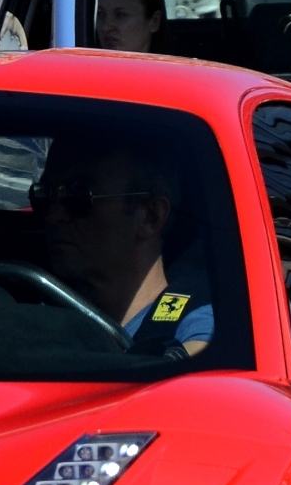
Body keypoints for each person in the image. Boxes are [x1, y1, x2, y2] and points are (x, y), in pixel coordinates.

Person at [37, 139, 213, 357]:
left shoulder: (197, 326)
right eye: (43, 194)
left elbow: (202, 367)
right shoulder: (35, 310)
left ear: (150, 217)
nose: (53, 216)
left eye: (78, 196)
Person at [93, 0, 165, 53]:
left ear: (154, 22)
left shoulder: (177, 66)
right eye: (100, 14)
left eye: (120, 14)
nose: (105, 27)